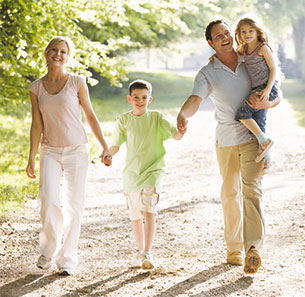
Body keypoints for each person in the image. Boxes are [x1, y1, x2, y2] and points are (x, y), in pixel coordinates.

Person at [177, 20, 281, 274]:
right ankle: (233, 248)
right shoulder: (207, 72)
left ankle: (253, 248)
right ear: (211, 44)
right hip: (225, 141)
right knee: (230, 194)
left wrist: (266, 104)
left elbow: (277, 93)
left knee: (252, 191)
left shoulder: (250, 58)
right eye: (218, 36)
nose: (225, 38)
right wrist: (183, 115)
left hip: (251, 139)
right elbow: (195, 99)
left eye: (227, 33)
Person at [26, 36, 111, 276]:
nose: (58, 54)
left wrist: (104, 146)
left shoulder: (77, 82)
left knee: (75, 204)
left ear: (68, 56)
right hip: (50, 150)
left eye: (63, 51)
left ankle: (67, 258)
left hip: (77, 150)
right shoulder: (36, 88)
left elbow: (91, 116)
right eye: (54, 49)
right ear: (47, 53)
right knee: (48, 198)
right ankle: (49, 248)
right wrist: (31, 157)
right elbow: (36, 124)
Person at [102, 79, 184, 269]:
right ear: (129, 99)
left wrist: (182, 129)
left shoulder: (156, 118)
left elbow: (176, 135)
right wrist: (107, 154)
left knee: (149, 209)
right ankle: (140, 252)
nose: (140, 101)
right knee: (136, 215)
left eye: (144, 98)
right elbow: (115, 145)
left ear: (150, 99)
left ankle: (148, 252)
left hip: (153, 171)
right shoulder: (123, 120)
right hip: (132, 174)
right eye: (136, 97)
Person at [234, 17, 281, 171]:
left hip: (267, 88)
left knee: (242, 113)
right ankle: (269, 160)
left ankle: (264, 141)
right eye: (243, 32)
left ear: (257, 31)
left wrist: (267, 90)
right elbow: (232, 55)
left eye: (250, 31)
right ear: (239, 34)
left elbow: (274, 69)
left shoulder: (263, 48)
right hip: (257, 89)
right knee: (258, 124)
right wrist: (214, 57)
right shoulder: (244, 49)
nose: (247, 34)